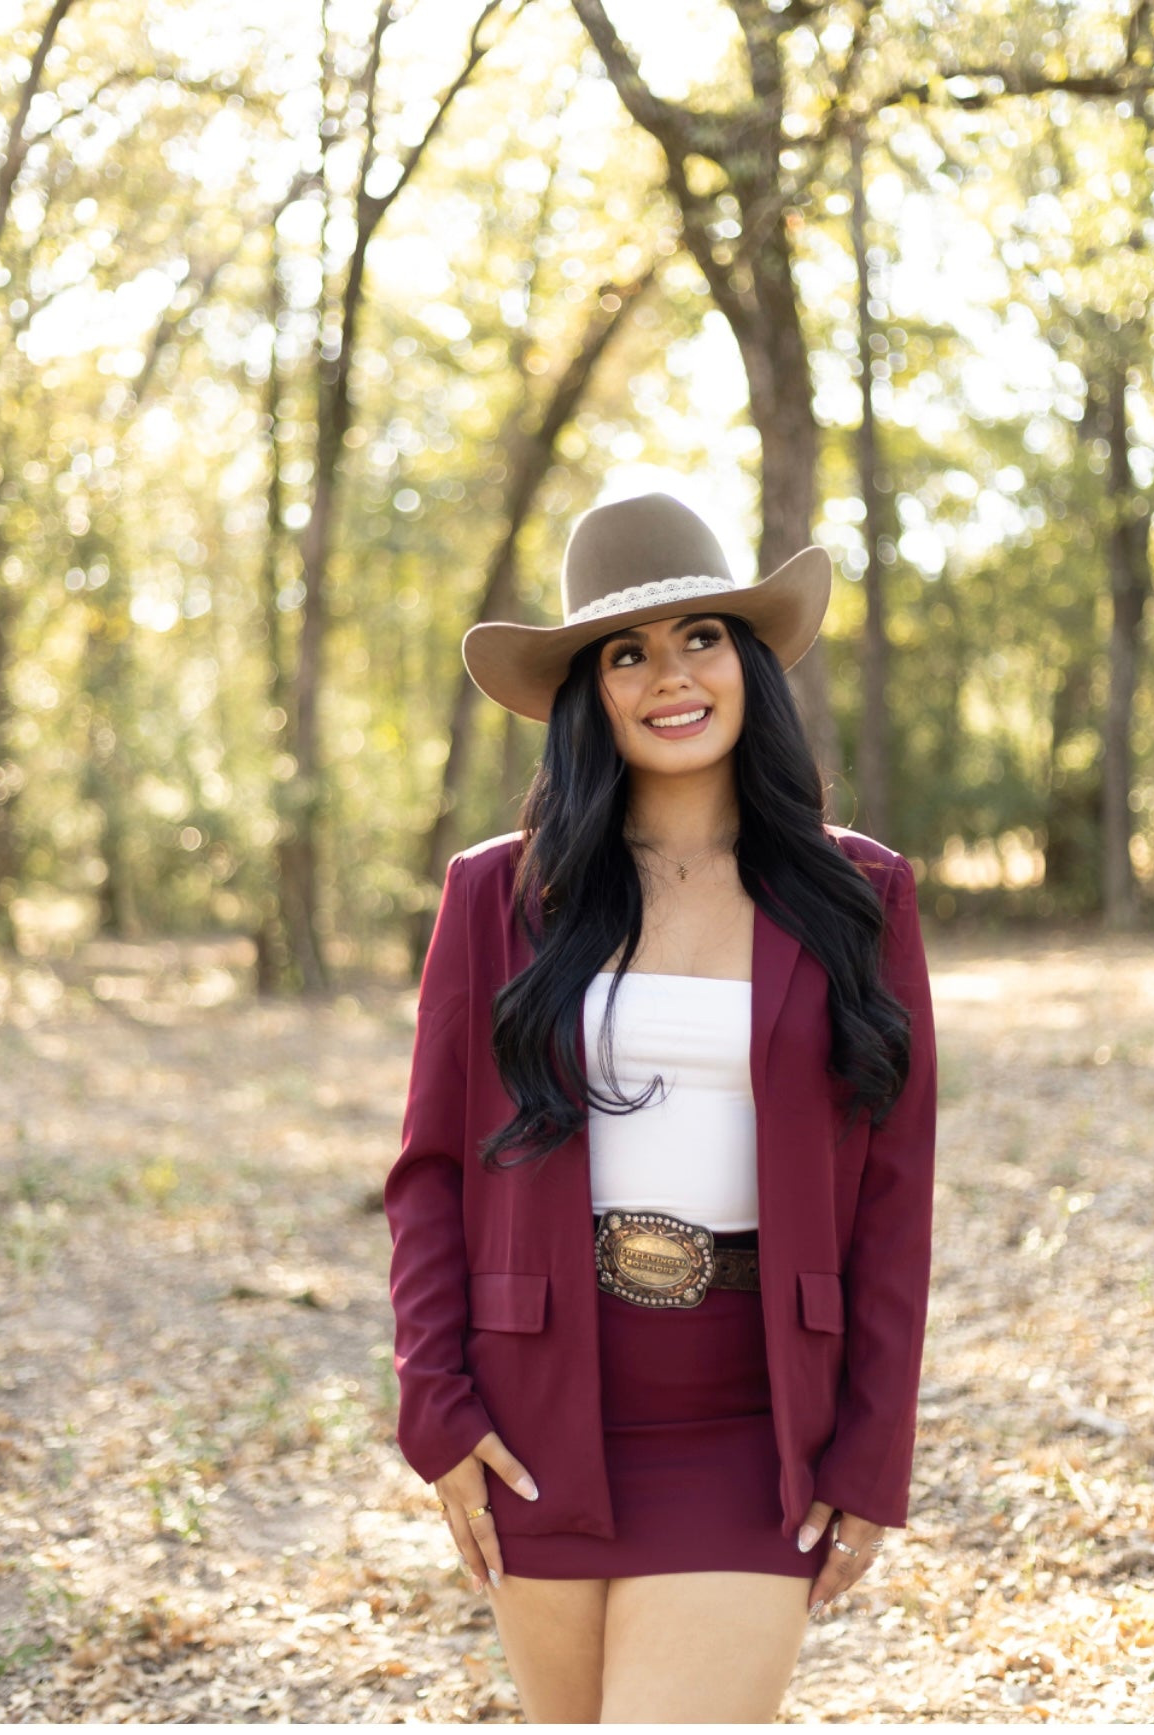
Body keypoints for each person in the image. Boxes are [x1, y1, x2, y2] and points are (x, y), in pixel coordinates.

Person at [384, 490, 938, 1724]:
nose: (670, 675)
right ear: (589, 694)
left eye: (701, 636)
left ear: (749, 662)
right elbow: (429, 1173)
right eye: (626, 653)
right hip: (538, 1410)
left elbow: (896, 1194)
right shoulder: (496, 894)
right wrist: (436, 1406)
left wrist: (871, 1450)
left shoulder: (860, 893)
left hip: (756, 1415)